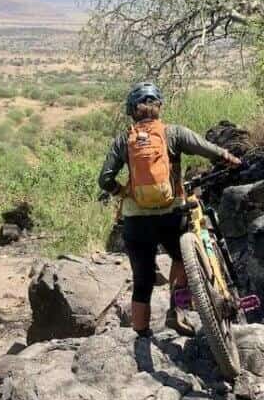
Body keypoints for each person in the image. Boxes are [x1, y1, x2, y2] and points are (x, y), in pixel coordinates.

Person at [98, 82, 242, 338]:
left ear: (132, 111)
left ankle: (141, 335)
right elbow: (209, 150)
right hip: (171, 214)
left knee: (142, 280)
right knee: (181, 257)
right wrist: (230, 159)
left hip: (136, 220)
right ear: (158, 107)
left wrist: (124, 192)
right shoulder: (173, 133)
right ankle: (177, 311)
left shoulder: (124, 140)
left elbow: (104, 180)